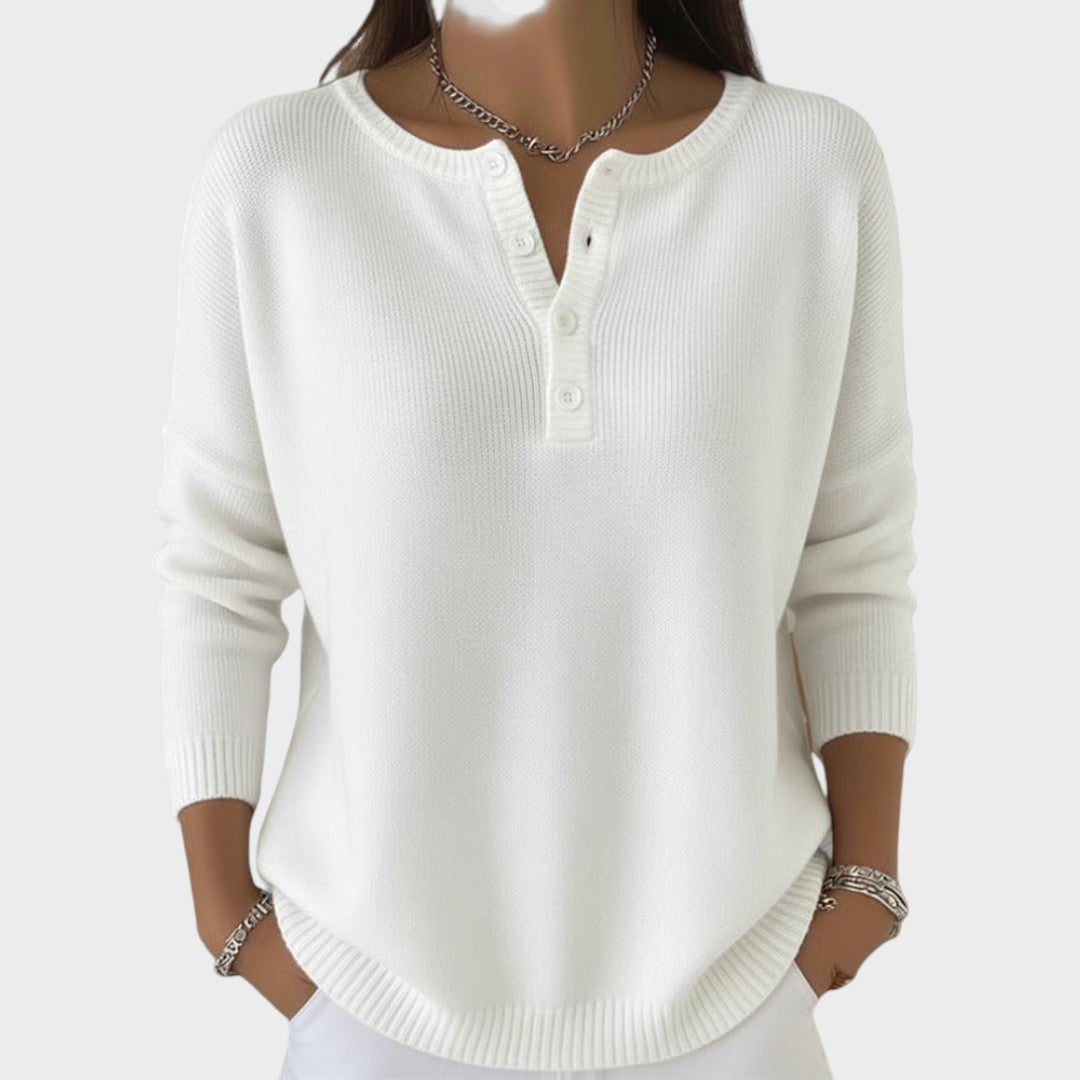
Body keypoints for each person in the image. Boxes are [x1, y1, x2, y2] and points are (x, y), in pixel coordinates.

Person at [153, 1, 917, 1077]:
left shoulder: (810, 168)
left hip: (740, 997)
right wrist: (228, 916)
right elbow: (218, 573)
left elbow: (854, 559)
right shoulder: (279, 175)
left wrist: (863, 893)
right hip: (374, 1004)